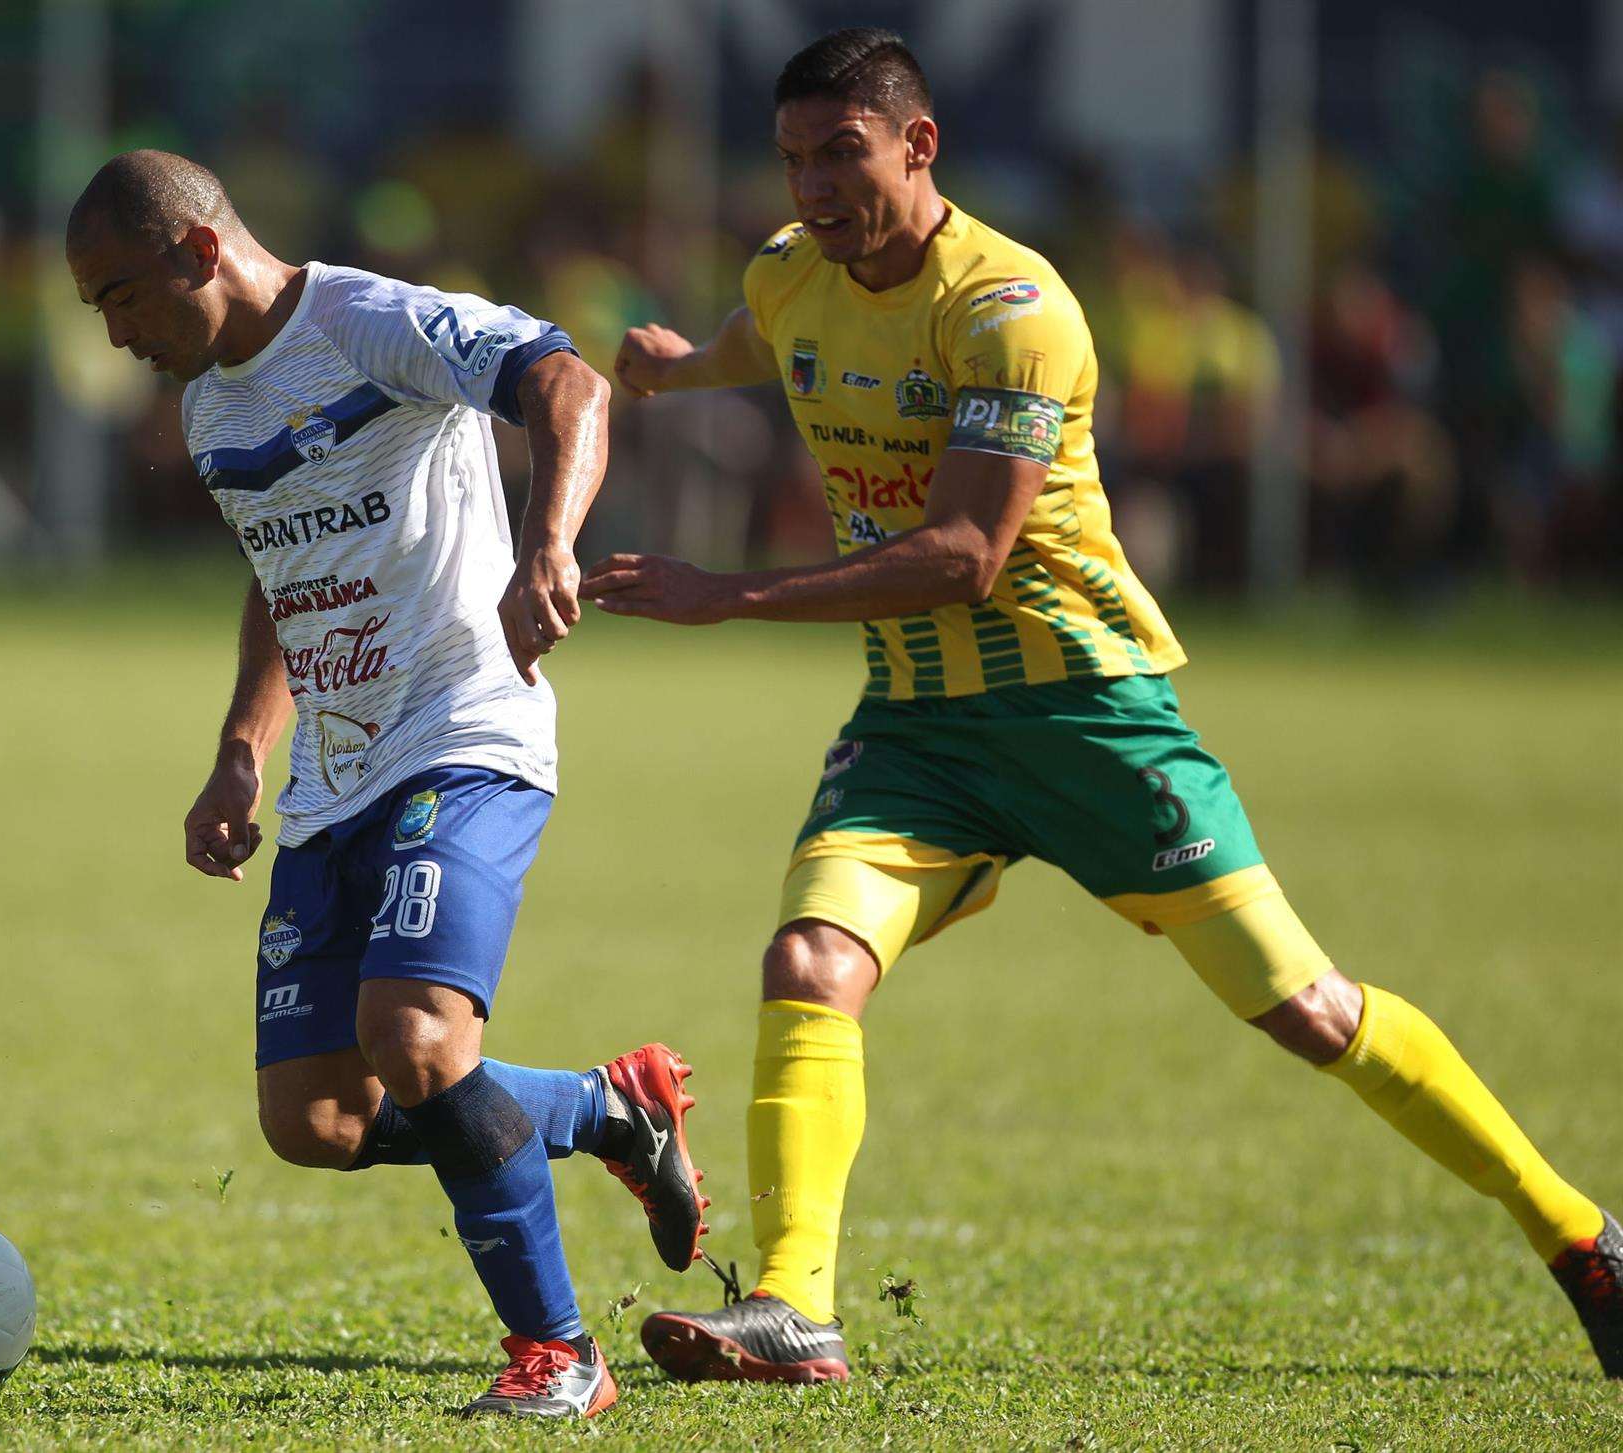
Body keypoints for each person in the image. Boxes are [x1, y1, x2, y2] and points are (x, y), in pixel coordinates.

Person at [593, 30, 1621, 1384]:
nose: (815, 187)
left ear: (920, 144)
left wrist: (722, 594)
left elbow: (966, 553)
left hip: (1087, 713)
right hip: (920, 729)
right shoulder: (792, 270)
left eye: (841, 153)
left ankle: (1581, 1237)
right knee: (810, 965)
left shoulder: (1014, 307)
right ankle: (794, 1306)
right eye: (793, 158)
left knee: (1305, 1008)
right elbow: (767, 334)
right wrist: (673, 366)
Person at [66, 150, 709, 1419]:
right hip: (335, 772)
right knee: (316, 1117)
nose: (116, 332)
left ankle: (562, 1359)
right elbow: (283, 573)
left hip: (467, 731)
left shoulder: (368, 323)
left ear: (200, 250)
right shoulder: (212, 410)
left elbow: (567, 381)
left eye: (122, 297)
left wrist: (548, 550)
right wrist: (243, 748)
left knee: (415, 1041)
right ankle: (604, 1107)